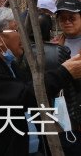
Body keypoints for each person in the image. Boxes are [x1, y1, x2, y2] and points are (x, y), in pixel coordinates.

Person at [0, 6, 81, 155]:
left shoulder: (6, 62)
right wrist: (65, 73)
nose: (23, 35)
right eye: (17, 30)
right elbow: (23, 97)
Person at [17, 11, 81, 156]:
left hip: (29, 119)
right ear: (50, 31)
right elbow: (74, 86)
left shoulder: (18, 55)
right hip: (60, 120)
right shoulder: (61, 51)